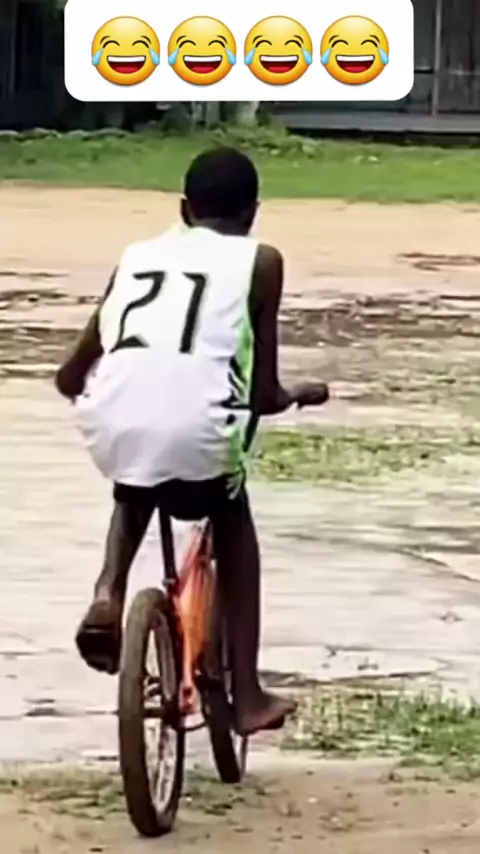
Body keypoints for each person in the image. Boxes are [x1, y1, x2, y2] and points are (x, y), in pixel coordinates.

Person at [55, 147, 328, 736]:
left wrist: (87, 393)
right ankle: (247, 694)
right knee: (233, 523)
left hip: (116, 421)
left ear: (183, 209)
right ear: (253, 212)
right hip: (198, 431)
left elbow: (71, 373)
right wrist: (297, 394)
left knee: (135, 480)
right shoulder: (261, 262)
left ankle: (108, 589)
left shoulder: (137, 257)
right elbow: (262, 391)